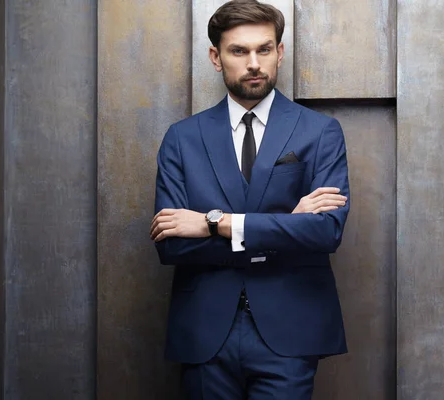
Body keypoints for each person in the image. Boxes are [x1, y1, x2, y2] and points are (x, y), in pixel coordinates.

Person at [150, 1, 350, 398]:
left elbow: (325, 232)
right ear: (215, 56)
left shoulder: (321, 132)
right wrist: (286, 227)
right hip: (205, 333)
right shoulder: (182, 138)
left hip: (290, 331)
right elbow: (173, 245)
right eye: (239, 51)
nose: (253, 63)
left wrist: (213, 223)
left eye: (264, 49)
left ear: (280, 52)